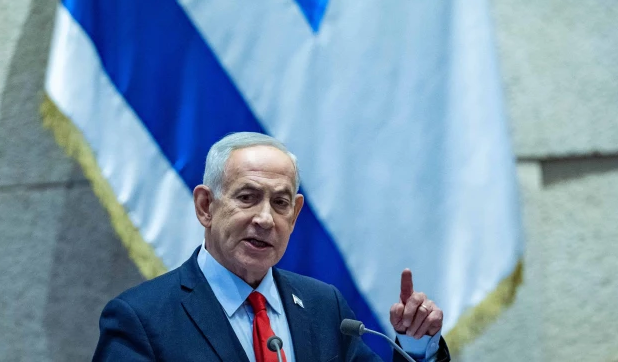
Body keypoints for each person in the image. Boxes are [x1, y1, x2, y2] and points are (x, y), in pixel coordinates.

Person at [93, 132, 450, 362]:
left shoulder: (324, 307)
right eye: (247, 198)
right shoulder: (141, 319)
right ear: (206, 206)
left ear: (294, 215)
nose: (265, 219)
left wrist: (415, 344)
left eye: (280, 204)